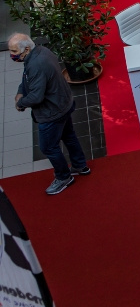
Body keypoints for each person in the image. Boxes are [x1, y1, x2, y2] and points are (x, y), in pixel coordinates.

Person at [9, 34, 89, 195]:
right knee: (69, 136)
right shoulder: (41, 51)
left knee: (48, 147)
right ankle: (80, 165)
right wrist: (20, 91)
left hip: (52, 112)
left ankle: (63, 177)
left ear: (25, 49)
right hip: (64, 103)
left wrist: (21, 103)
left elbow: (36, 96)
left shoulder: (36, 64)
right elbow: (27, 79)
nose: (12, 55)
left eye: (14, 51)